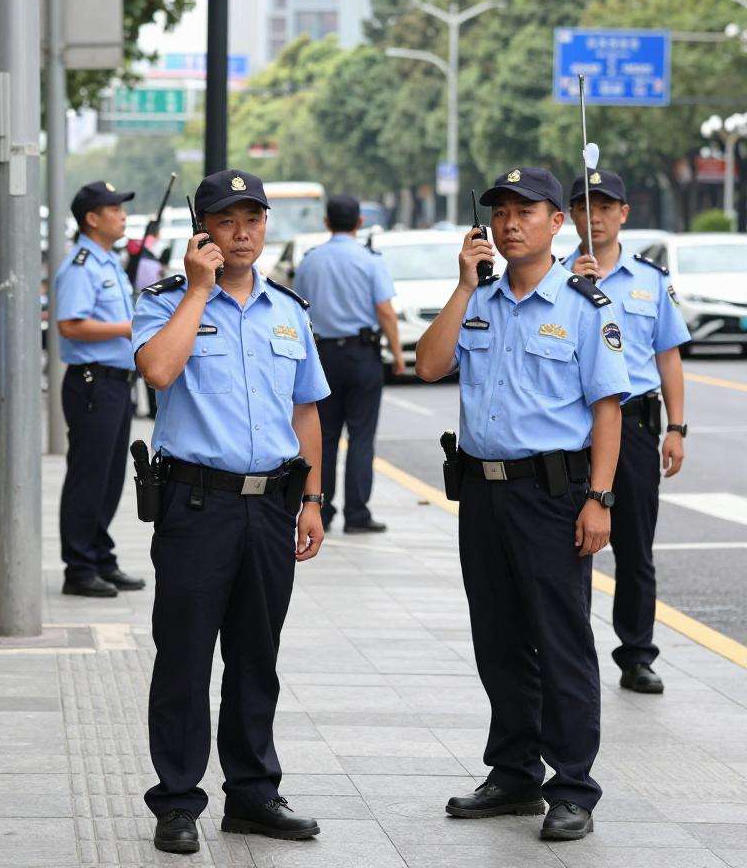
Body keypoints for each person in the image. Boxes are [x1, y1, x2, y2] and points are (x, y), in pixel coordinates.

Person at [415, 167, 631, 842]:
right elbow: (427, 365)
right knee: (499, 638)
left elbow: (607, 412)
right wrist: (460, 286)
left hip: (552, 494)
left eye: (525, 212)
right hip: (481, 491)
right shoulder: (477, 301)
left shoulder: (584, 305)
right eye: (500, 213)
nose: (511, 224)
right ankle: (514, 774)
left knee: (561, 640)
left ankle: (572, 786)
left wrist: (599, 499)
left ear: (555, 222)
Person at [134, 169, 329, 855]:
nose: (242, 232)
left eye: (254, 219)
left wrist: (311, 500)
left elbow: (306, 410)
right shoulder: (166, 300)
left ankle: (252, 793)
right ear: (203, 230)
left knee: (256, 655)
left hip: (272, 505)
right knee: (185, 657)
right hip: (197, 504)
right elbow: (157, 371)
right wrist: (197, 290)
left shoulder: (288, 310)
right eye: (227, 220)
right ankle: (178, 801)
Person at [565, 170, 690, 694]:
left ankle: (636, 653)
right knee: (570, 544)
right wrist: (573, 284)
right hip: (574, 428)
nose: (594, 216)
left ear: (623, 214)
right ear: (568, 217)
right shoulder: (553, 276)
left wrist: (677, 427)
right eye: (583, 206)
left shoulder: (650, 280)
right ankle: (571, 653)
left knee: (635, 547)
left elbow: (669, 355)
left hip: (636, 424)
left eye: (605, 206)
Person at [293, 194, 405, 532]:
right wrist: (398, 354)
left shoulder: (310, 261)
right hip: (362, 356)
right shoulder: (370, 260)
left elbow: (300, 309)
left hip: (323, 356)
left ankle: (321, 511)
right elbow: (385, 310)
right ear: (359, 222)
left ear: (326, 222)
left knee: (323, 437)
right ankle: (357, 514)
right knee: (361, 437)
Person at [54, 180, 144, 598]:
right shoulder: (82, 265)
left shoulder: (108, 263)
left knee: (110, 478)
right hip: (93, 383)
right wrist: (129, 327)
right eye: (114, 208)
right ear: (92, 218)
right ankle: (79, 567)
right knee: (89, 477)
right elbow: (70, 325)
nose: (122, 214)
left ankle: (100, 555)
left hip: (116, 383)